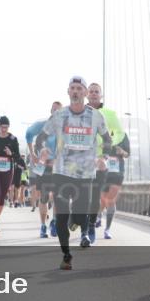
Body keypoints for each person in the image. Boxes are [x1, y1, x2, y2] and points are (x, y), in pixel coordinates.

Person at [34, 77, 113, 270]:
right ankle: (66, 255)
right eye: (72, 88)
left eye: (79, 88)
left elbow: (107, 139)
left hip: (86, 174)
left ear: (85, 93)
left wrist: (104, 157)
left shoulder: (96, 116)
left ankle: (79, 224)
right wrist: (41, 150)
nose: (76, 91)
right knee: (61, 215)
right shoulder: (59, 115)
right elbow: (40, 138)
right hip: (61, 173)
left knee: (79, 215)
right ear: (68, 92)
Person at [85, 83, 124, 244]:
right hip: (82, 159)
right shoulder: (79, 112)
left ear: (101, 95)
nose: (94, 94)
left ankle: (90, 226)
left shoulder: (109, 114)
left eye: (97, 92)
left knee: (94, 196)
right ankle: (81, 222)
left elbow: (120, 133)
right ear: (87, 94)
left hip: (101, 160)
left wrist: (110, 142)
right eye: (91, 92)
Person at [26, 101, 61, 238]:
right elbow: (28, 134)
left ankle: (54, 222)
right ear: (51, 112)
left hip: (58, 168)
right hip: (43, 167)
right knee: (44, 197)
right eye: (54, 111)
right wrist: (33, 154)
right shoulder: (41, 125)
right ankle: (43, 226)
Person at [99, 132, 130, 239]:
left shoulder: (122, 135)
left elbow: (127, 154)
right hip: (103, 171)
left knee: (110, 200)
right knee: (102, 199)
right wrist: (100, 147)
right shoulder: (100, 133)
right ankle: (98, 216)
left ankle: (107, 230)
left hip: (117, 172)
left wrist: (122, 151)